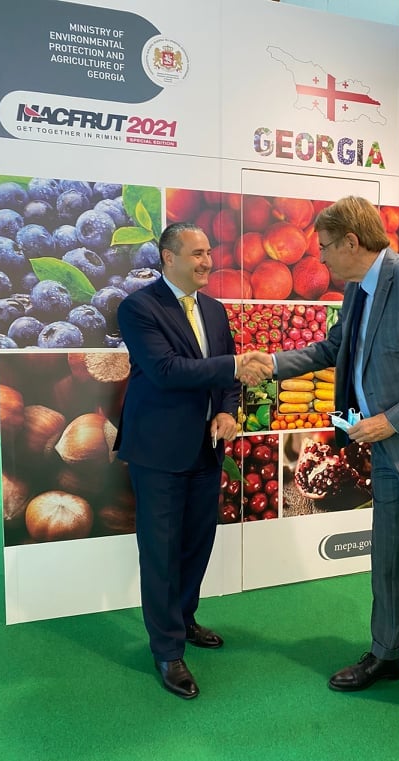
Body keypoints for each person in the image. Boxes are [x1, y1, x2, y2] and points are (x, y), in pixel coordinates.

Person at [251, 196, 399, 741]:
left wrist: (391, 420)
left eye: (326, 247)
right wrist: (273, 364)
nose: (320, 259)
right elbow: (334, 349)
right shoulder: (358, 288)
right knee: (386, 555)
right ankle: (388, 654)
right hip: (384, 448)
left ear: (352, 242)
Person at [114, 221, 272, 699]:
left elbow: (225, 376)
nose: (207, 261)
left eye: (209, 252)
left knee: (197, 542)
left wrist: (227, 410)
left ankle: (184, 620)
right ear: (168, 257)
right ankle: (167, 650)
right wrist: (235, 366)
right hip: (159, 451)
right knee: (160, 552)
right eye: (197, 253)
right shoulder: (138, 308)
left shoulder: (215, 310)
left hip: (207, 447)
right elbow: (165, 371)